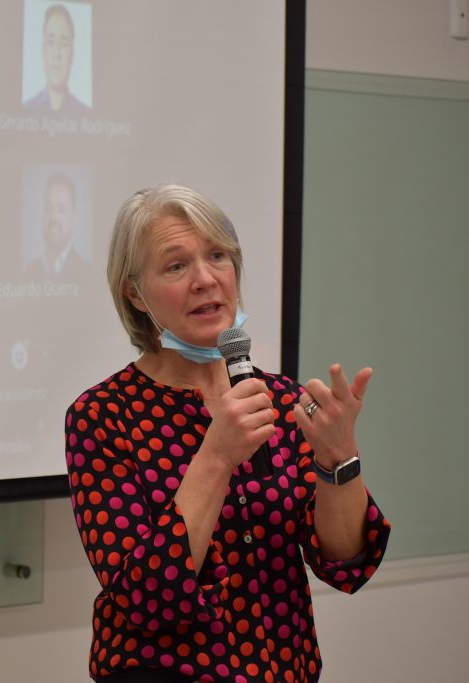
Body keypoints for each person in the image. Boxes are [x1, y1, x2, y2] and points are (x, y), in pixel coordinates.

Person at [64, 184, 390, 682]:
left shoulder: (280, 399)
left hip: (286, 669)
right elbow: (147, 599)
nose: (205, 279)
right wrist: (215, 456)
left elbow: (344, 562)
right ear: (135, 292)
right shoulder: (102, 416)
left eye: (218, 256)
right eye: (176, 266)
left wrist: (339, 459)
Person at [23, 3, 90, 114]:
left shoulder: (86, 114)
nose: (57, 54)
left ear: (72, 55)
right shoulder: (25, 109)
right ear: (43, 51)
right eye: (51, 42)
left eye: (64, 44)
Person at [25, 171, 87, 278]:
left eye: (61, 209)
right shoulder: (29, 271)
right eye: (48, 207)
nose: (53, 217)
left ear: (73, 217)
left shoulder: (87, 273)